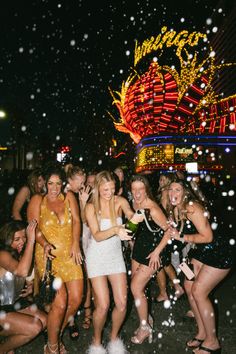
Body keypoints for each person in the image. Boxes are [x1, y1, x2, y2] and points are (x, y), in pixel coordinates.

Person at [168, 178, 235, 354]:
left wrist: (182, 238)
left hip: (219, 251)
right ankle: (202, 331)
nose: (173, 194)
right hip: (200, 252)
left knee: (198, 291)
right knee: (188, 284)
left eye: (177, 190)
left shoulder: (191, 207)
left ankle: (213, 343)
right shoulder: (176, 208)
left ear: (185, 192)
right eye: (171, 190)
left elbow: (207, 236)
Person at [27, 165, 84, 354]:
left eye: (58, 183)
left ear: (63, 184)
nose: (54, 187)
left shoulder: (69, 198)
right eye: (50, 183)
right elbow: (33, 227)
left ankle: (54, 332)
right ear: (44, 183)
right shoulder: (38, 200)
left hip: (70, 253)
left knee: (76, 300)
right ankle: (52, 347)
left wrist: (76, 243)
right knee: (60, 303)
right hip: (47, 257)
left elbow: (76, 221)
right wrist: (44, 244)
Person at [85, 170, 142, 354]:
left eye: (112, 189)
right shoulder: (91, 206)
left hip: (115, 257)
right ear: (98, 189)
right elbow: (97, 235)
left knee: (122, 303)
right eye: (105, 190)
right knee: (102, 306)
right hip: (96, 257)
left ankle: (114, 339)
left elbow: (132, 220)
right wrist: (117, 229)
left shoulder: (121, 202)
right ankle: (96, 341)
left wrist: (136, 219)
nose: (109, 193)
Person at [129, 175, 170, 345]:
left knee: (136, 288)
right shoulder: (134, 203)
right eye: (134, 189)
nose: (137, 193)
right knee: (137, 287)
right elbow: (136, 227)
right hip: (139, 248)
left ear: (146, 189)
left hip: (153, 251)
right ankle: (146, 318)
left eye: (141, 189)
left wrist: (156, 253)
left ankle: (145, 327)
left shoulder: (152, 208)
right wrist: (132, 239)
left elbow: (169, 231)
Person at [0, 220, 47, 353]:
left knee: (45, 321)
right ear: (7, 239)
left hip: (12, 305)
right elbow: (22, 271)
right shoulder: (2, 254)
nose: (22, 241)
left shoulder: (19, 254)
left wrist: (29, 287)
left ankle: (9, 344)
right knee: (35, 327)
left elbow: (19, 279)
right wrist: (31, 241)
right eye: (17, 239)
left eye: (24, 237)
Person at [65, 164, 93, 336]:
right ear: (70, 180)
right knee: (71, 281)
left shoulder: (80, 195)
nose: (82, 185)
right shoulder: (63, 194)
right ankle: (70, 319)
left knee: (84, 276)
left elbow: (83, 221)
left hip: (82, 239)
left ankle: (87, 313)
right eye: (80, 182)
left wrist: (83, 201)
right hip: (68, 241)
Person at [155, 173, 184, 302]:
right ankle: (176, 286)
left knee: (166, 260)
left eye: (164, 180)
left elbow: (168, 213)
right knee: (165, 260)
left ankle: (178, 286)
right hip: (168, 230)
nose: (161, 181)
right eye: (160, 179)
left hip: (167, 231)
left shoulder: (166, 193)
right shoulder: (164, 192)